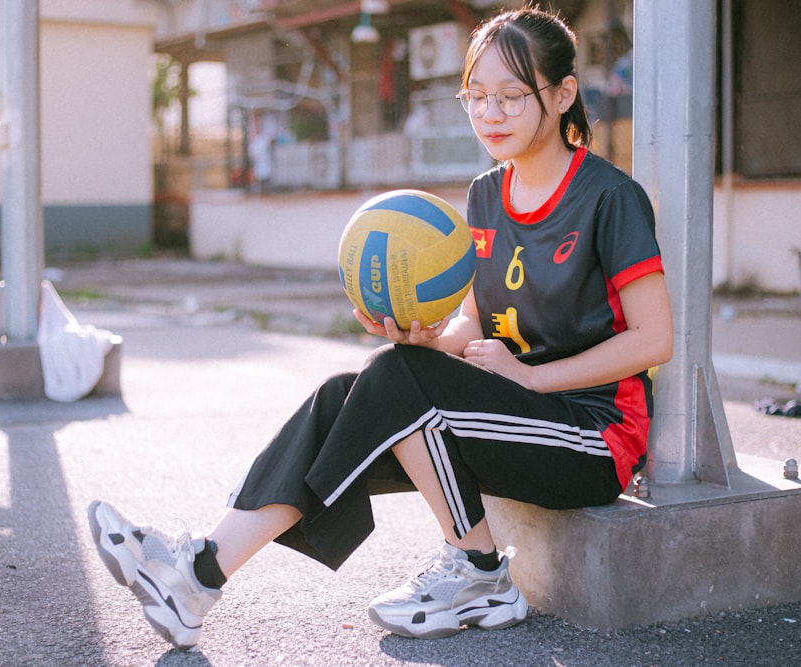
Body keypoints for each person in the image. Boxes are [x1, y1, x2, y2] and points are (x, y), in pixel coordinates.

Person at [88, 6, 673, 649]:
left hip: (591, 435)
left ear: (563, 95)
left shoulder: (609, 197)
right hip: (511, 406)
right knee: (352, 388)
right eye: (476, 97)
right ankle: (198, 573)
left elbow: (653, 340)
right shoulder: (483, 195)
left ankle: (481, 574)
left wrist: (531, 377)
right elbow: (475, 319)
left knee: (393, 383)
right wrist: (429, 340)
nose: (490, 114)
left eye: (511, 96)